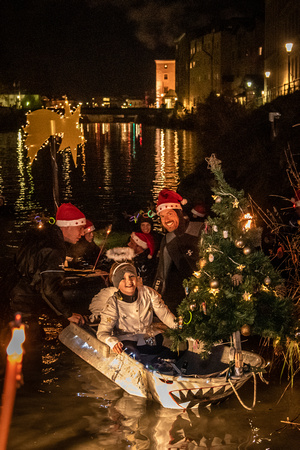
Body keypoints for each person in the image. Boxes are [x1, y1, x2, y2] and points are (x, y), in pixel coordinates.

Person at [10, 203, 86, 326]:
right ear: (67, 226)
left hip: (12, 291)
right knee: (30, 340)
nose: (82, 233)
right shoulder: (55, 248)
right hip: (23, 302)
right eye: (80, 228)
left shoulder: (43, 235)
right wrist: (68, 314)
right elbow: (49, 289)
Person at [96, 261, 176, 357]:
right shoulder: (113, 303)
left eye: (131, 276)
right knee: (131, 352)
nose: (129, 281)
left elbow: (164, 315)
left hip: (147, 336)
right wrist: (113, 342)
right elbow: (102, 333)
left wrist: (180, 328)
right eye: (123, 279)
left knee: (172, 345)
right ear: (117, 284)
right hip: (126, 340)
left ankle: (162, 365)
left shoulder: (148, 293)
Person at [153, 189, 205, 314]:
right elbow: (161, 278)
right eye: (162, 216)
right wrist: (151, 303)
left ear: (179, 212)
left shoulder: (201, 230)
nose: (166, 219)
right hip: (192, 297)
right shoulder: (168, 241)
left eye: (170, 213)